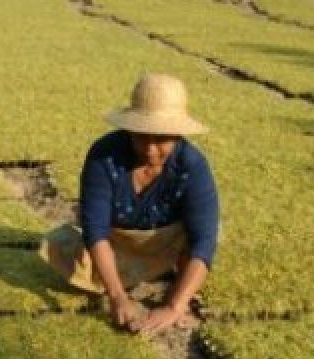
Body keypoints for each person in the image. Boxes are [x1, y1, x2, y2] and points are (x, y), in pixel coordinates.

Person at [39, 73, 220, 334]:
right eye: (142, 136)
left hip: (169, 244)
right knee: (61, 248)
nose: (150, 150)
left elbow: (204, 241)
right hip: (115, 244)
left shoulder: (193, 165)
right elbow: (95, 230)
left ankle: (174, 281)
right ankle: (128, 276)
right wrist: (117, 297)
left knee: (205, 237)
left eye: (161, 139)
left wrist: (173, 307)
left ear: (178, 135)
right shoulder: (104, 156)